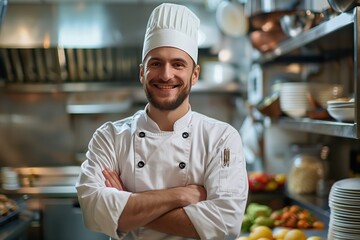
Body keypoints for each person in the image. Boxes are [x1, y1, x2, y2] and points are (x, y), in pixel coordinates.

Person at [76, 3, 248, 240]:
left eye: (178, 64)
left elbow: (225, 224)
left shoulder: (221, 138)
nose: (166, 75)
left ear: (194, 74)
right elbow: (93, 211)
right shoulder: (110, 137)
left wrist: (126, 204)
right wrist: (179, 196)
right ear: (141, 73)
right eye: (155, 63)